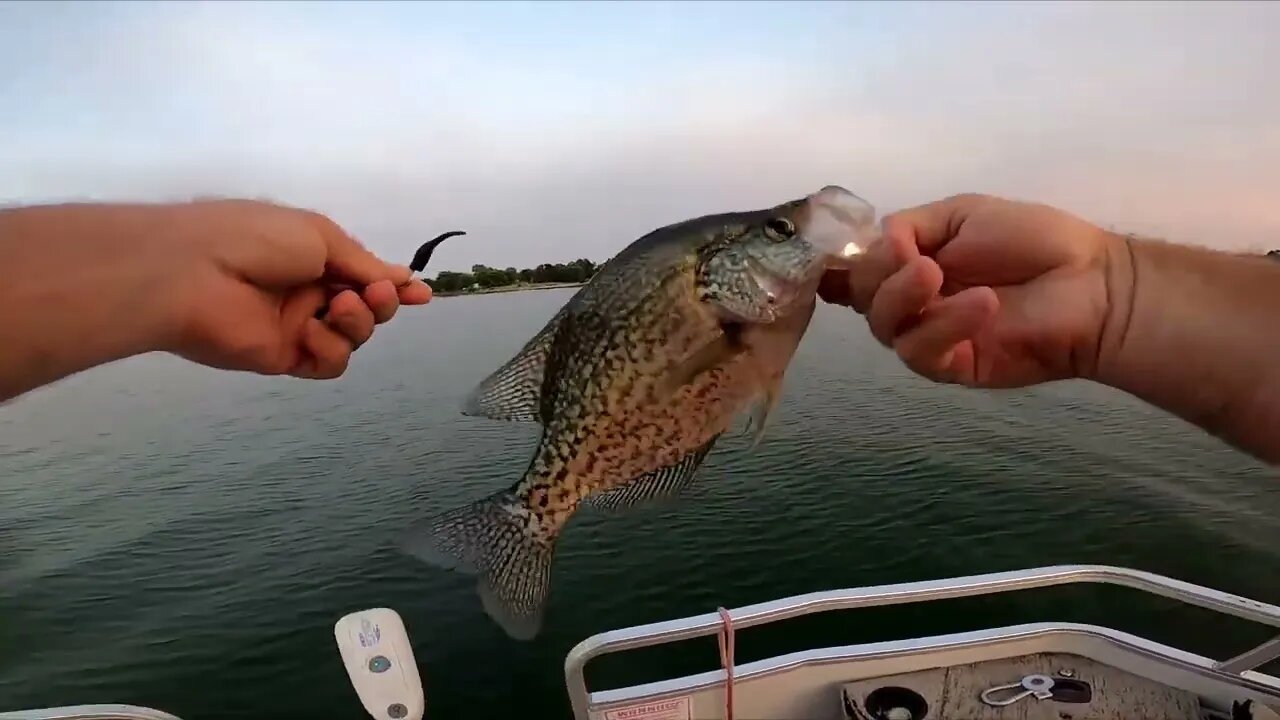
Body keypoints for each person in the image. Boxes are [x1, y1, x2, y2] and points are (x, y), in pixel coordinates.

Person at [1, 193, 1276, 465]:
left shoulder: (740, 297)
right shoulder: (715, 294)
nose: (807, 232)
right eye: (780, 232)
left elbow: (726, 350)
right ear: (734, 270)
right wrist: (1116, 294)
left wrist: (1120, 297)